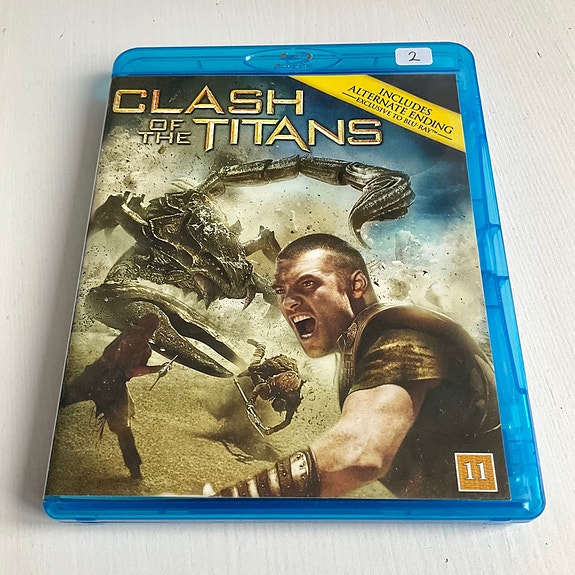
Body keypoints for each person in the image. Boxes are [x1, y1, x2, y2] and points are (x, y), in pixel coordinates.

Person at [213, 234, 508, 499]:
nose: (288, 302)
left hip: (473, 515)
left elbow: (358, 452)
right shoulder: (361, 344)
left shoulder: (399, 339)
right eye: (281, 290)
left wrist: (230, 501)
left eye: (308, 284)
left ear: (356, 285)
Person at [60, 313, 171, 479]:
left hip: (94, 374)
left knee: (63, 398)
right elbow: (131, 371)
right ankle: (135, 470)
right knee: (123, 430)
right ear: (153, 330)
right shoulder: (144, 348)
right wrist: (158, 368)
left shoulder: (127, 332)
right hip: (112, 388)